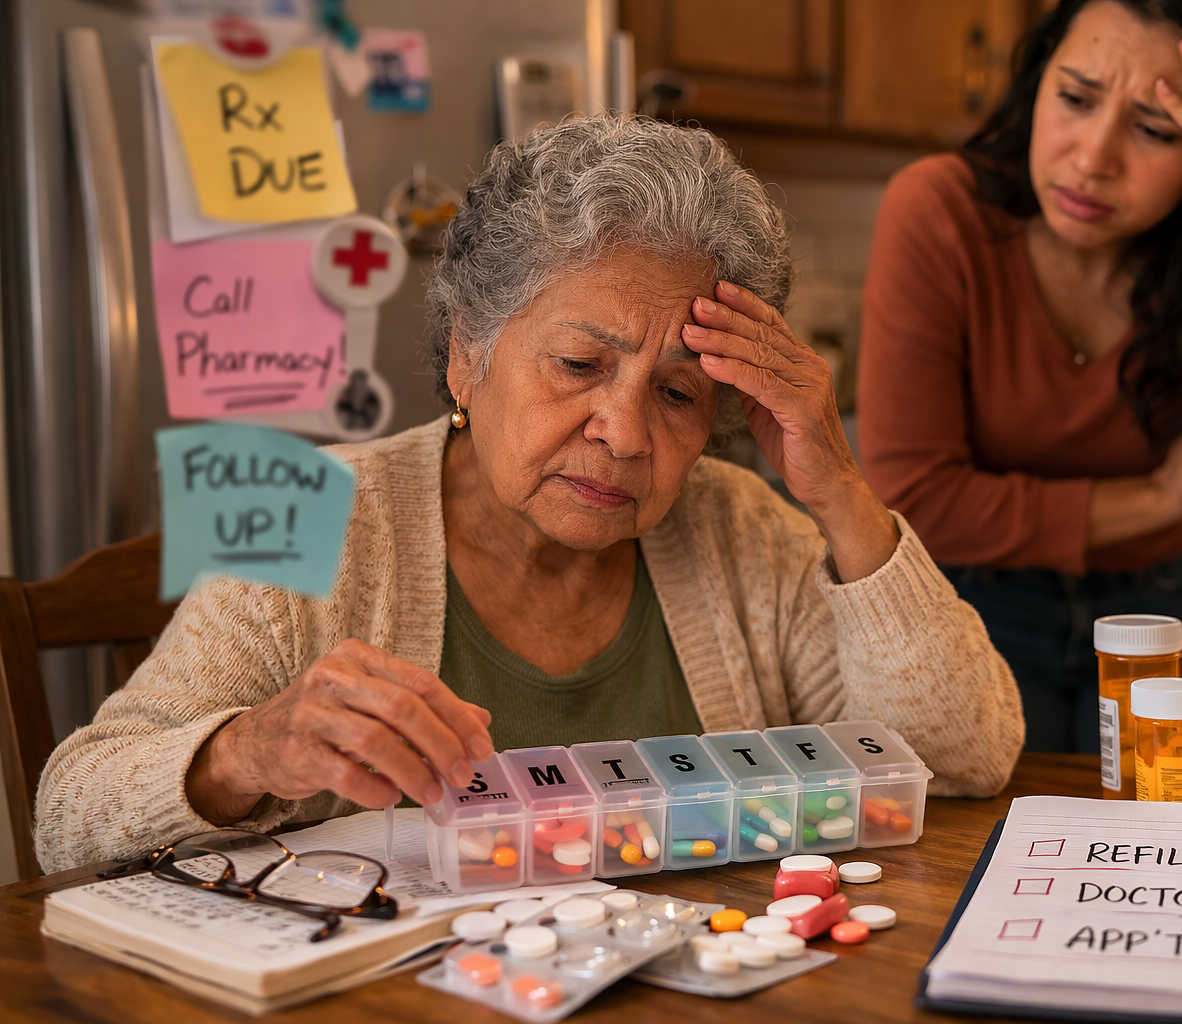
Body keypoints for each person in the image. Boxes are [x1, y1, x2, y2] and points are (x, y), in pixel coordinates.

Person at [36, 115, 1022, 873]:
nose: (627, 434)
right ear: (469, 357)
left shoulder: (746, 534)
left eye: (678, 393)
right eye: (580, 363)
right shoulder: (315, 514)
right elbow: (66, 818)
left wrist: (841, 494)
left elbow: (964, 755)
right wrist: (248, 751)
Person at [857, 0, 1182, 752]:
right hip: (967, 607)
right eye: (1075, 97)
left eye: (1157, 129)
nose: (1092, 158)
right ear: (1038, 77)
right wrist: (1161, 496)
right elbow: (914, 499)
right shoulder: (939, 211)